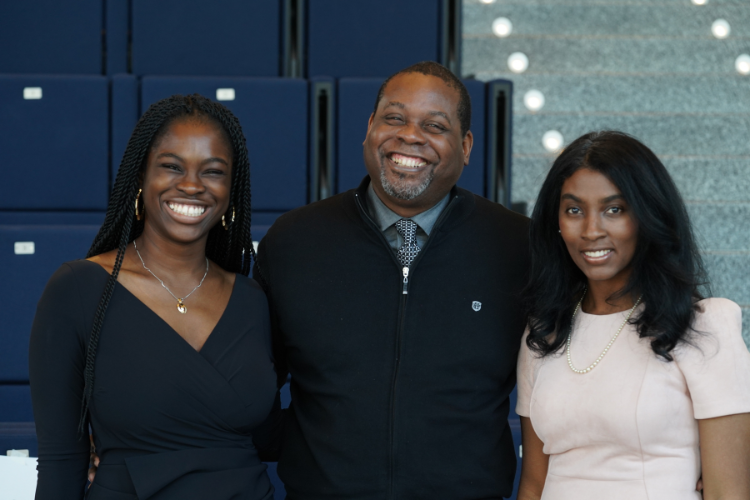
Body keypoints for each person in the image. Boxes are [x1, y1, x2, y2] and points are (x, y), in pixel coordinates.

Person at [254, 61, 530, 499]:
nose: (410, 136)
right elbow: (247, 383)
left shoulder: (519, 247)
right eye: (394, 118)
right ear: (369, 128)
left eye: (434, 125)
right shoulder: (294, 241)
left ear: (466, 145)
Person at [29, 94, 279, 499]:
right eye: (171, 167)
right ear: (141, 179)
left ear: (232, 191)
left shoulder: (251, 299)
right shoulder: (79, 289)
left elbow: (268, 436)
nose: (192, 185)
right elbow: (61, 462)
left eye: (213, 172)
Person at [516, 130, 750, 500]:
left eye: (615, 209)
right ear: (556, 223)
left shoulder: (704, 325)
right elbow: (533, 484)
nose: (592, 231)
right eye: (574, 210)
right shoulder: (545, 331)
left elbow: (729, 492)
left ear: (646, 216)